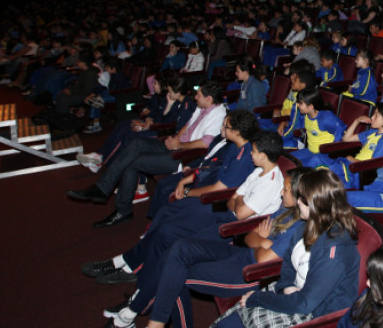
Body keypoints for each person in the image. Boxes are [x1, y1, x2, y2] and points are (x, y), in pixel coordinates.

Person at [95, 129, 284, 328]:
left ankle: (134, 308)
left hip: (234, 230)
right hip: (225, 217)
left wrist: (239, 200)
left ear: (263, 156)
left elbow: (241, 212)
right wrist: (239, 201)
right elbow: (233, 201)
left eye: (253, 151)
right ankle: (134, 304)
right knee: (168, 234)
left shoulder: (272, 182)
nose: (250, 154)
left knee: (173, 257)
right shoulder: (257, 171)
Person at [140, 167, 311, 328]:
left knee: (176, 276)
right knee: (180, 248)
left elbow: (263, 259)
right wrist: (262, 241)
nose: (281, 192)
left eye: (286, 190)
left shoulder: (300, 227)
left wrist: (259, 239)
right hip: (242, 253)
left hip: (249, 274)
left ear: (299, 197)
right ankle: (146, 312)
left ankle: (154, 321)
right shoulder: (285, 210)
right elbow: (250, 236)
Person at [211, 169, 360, 328]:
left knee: (238, 318)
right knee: (229, 320)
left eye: (301, 199)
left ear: (313, 204)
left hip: (314, 316)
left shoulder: (335, 253)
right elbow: (288, 261)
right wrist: (287, 287)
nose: (297, 203)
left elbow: (305, 304)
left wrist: (257, 298)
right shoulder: (307, 225)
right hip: (293, 297)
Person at [68, 80, 227, 227]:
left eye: (198, 94)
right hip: (176, 146)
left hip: (186, 157)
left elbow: (205, 144)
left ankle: (119, 206)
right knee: (136, 143)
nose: (195, 96)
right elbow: (187, 126)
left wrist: (180, 145)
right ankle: (104, 190)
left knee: (132, 162)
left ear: (209, 98)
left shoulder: (218, 115)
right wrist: (176, 138)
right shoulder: (201, 107)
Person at [307, 103, 383, 189]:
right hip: (350, 165)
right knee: (316, 159)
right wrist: (357, 121)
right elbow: (346, 138)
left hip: (356, 174)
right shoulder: (372, 132)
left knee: (317, 163)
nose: (372, 117)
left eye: (376, 115)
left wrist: (352, 159)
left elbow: (373, 166)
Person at [287, 87, 347, 164]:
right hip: (310, 150)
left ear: (311, 106)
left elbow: (341, 130)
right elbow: (298, 126)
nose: (297, 105)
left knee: (299, 167)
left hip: (323, 154)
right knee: (287, 160)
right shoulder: (305, 115)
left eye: (300, 103)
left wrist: (332, 150)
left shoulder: (325, 119)